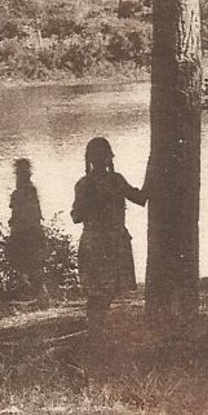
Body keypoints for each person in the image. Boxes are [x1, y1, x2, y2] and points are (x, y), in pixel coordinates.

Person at [70, 136, 146, 325]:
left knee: (96, 291)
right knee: (109, 290)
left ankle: (95, 331)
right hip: (114, 242)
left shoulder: (82, 184)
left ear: (89, 160)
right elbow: (140, 198)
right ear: (109, 158)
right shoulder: (116, 180)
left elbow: (76, 217)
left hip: (92, 242)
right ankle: (96, 332)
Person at [8, 159, 49, 304]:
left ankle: (39, 295)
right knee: (28, 264)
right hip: (28, 231)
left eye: (18, 173)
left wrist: (16, 229)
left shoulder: (25, 190)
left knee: (30, 264)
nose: (17, 176)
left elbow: (25, 213)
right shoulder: (27, 189)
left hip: (26, 231)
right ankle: (36, 294)